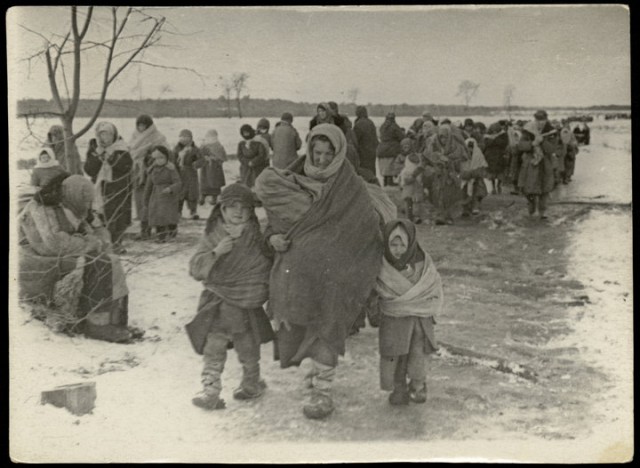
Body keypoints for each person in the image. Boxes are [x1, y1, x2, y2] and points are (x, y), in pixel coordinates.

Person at [254, 124, 382, 420]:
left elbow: (365, 227)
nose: (322, 159)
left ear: (338, 153)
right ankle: (314, 376)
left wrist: (337, 246)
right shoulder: (293, 178)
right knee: (303, 325)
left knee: (328, 327)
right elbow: (273, 223)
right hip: (299, 273)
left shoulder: (350, 185)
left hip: (336, 273)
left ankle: (323, 390)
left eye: (328, 154)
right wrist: (271, 238)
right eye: (317, 152)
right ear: (308, 149)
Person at [187, 183, 274, 410]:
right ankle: (211, 390)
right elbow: (195, 268)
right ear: (222, 210)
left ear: (251, 211)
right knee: (213, 346)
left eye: (244, 207)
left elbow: (264, 267)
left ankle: (250, 384)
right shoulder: (213, 235)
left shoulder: (255, 237)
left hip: (246, 303)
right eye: (232, 207)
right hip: (217, 303)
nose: (238, 212)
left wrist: (255, 289)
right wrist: (216, 253)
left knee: (248, 346)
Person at [18, 174, 135, 343]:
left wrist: (101, 243)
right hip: (37, 259)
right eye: (85, 200)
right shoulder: (42, 207)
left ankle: (115, 321)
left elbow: (94, 232)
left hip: (61, 255)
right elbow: (54, 243)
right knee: (97, 264)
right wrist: (91, 244)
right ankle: (95, 324)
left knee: (112, 261)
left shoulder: (74, 206)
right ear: (72, 194)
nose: (87, 205)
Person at [372, 219, 443, 405]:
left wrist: (425, 306)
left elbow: (433, 286)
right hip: (393, 320)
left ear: (410, 242)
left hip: (419, 321)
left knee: (418, 354)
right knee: (395, 356)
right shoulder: (381, 265)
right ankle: (399, 388)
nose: (397, 249)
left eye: (402, 244)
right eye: (393, 244)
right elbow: (374, 289)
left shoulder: (423, 263)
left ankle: (418, 386)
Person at [84, 122, 133, 254]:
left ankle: (116, 244)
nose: (103, 138)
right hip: (100, 188)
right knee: (100, 217)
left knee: (118, 217)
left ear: (113, 135)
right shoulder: (94, 149)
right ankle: (103, 244)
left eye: (107, 135)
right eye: (101, 135)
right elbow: (89, 169)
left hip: (118, 189)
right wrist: (98, 157)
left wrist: (111, 158)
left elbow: (126, 167)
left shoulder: (121, 148)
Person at [129, 115, 170, 241]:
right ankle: (144, 230)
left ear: (149, 126)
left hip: (153, 172)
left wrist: (150, 156)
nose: (141, 128)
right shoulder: (134, 136)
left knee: (155, 202)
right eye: (139, 125)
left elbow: (166, 153)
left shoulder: (158, 137)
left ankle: (160, 231)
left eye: (144, 125)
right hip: (138, 173)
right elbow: (131, 152)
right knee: (141, 202)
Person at [422, 124, 469, 225]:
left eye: (445, 137)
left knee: (450, 196)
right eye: (441, 137)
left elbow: (462, 160)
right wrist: (434, 164)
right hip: (438, 176)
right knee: (438, 195)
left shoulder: (456, 147)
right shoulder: (433, 146)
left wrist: (449, 162)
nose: (443, 140)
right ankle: (441, 215)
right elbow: (426, 158)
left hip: (451, 176)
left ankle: (448, 216)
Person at [516, 119, 556, 219]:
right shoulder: (527, 133)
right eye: (538, 121)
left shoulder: (551, 133)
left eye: (542, 122)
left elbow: (552, 149)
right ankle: (532, 209)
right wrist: (533, 143)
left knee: (544, 189)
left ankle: (542, 211)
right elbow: (520, 146)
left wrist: (542, 141)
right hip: (530, 165)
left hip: (544, 166)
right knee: (529, 189)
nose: (540, 125)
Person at [144, 146, 182, 243]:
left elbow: (178, 183)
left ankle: (172, 232)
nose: (159, 160)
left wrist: (170, 188)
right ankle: (161, 237)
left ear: (166, 158)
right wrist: (145, 199)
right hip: (156, 195)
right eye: (156, 158)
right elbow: (148, 185)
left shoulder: (171, 169)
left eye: (162, 158)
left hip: (169, 197)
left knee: (168, 216)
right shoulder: (152, 169)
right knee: (157, 217)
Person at [174, 129, 203, 220]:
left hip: (191, 175)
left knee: (192, 194)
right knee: (179, 194)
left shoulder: (195, 149)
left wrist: (196, 164)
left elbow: (202, 160)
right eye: (182, 137)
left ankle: (193, 211)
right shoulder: (176, 149)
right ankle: (178, 212)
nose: (185, 139)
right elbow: (172, 159)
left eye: (187, 137)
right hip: (180, 175)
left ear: (191, 138)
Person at [398, 138, 424, 224]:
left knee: (415, 199)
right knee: (408, 198)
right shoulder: (403, 157)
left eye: (407, 147)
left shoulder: (414, 156)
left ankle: (416, 216)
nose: (406, 149)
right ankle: (409, 216)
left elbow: (419, 166)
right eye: (404, 147)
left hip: (414, 179)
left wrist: (413, 175)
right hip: (407, 180)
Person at [461, 138, 490, 216]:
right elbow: (459, 168)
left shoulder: (478, 156)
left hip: (476, 179)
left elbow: (482, 168)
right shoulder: (461, 156)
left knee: (476, 192)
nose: (470, 151)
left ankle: (475, 206)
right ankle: (465, 208)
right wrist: (465, 174)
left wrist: (473, 174)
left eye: (471, 149)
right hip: (465, 179)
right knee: (464, 192)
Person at [199, 129, 227, 205]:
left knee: (215, 182)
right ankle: (202, 196)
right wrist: (204, 157)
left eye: (213, 136)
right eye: (209, 136)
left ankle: (214, 197)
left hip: (215, 168)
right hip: (205, 167)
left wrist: (216, 159)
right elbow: (199, 154)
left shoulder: (219, 146)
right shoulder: (204, 145)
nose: (211, 138)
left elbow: (223, 156)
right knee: (204, 182)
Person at [377, 112, 405, 186]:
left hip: (381, 148)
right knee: (390, 166)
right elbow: (401, 137)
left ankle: (385, 182)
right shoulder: (394, 126)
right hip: (391, 149)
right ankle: (390, 182)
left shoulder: (382, 126)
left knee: (384, 167)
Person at [483, 122, 509, 194]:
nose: (495, 132)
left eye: (496, 131)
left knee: (500, 173)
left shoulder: (503, 135)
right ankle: (493, 186)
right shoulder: (487, 136)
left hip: (499, 156)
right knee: (492, 173)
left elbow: (504, 143)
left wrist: (494, 140)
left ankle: (498, 185)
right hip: (490, 157)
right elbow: (487, 143)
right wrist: (495, 141)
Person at [353, 106, 379, 175]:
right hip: (372, 150)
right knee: (371, 169)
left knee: (363, 170)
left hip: (362, 151)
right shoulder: (370, 122)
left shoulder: (358, 124)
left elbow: (355, 139)